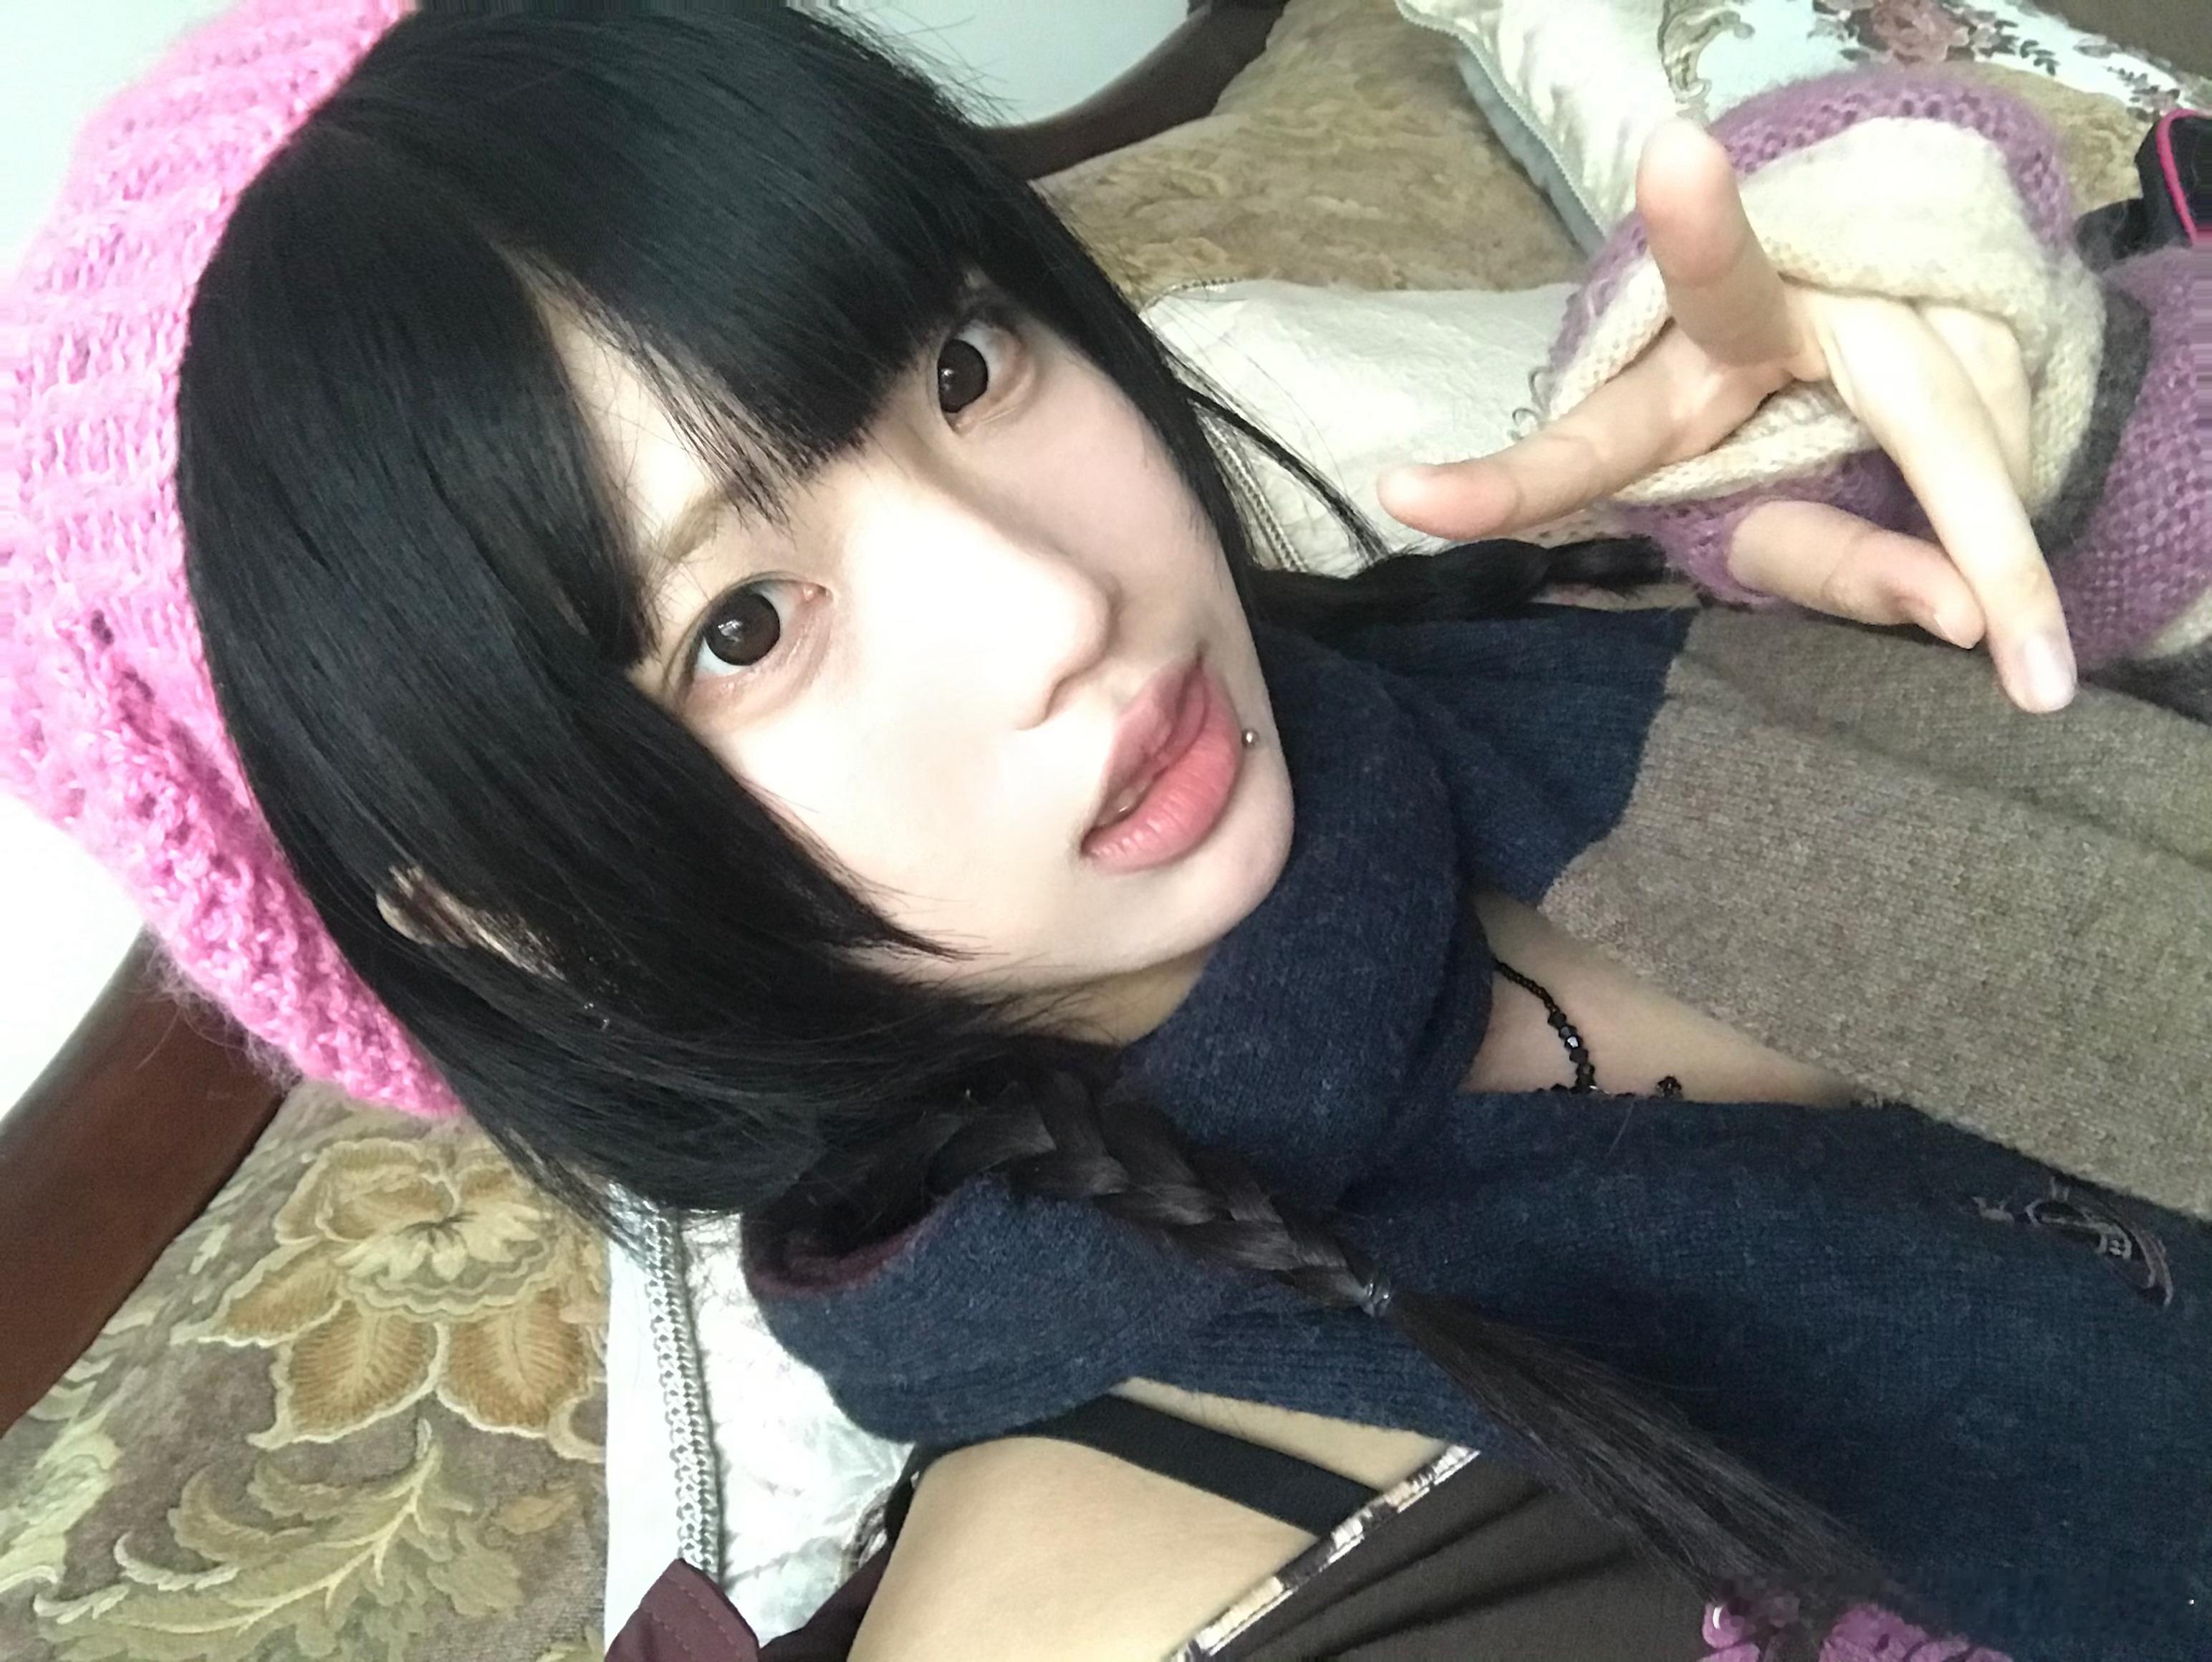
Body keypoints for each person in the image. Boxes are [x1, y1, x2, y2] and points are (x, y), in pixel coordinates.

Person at [6, 4, 2207, 1659]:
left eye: (963, 368)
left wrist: (2049, 428)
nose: (1060, 606)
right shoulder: (1161, 1574)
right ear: (514, 912)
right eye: (742, 625)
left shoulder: (1580, 624)